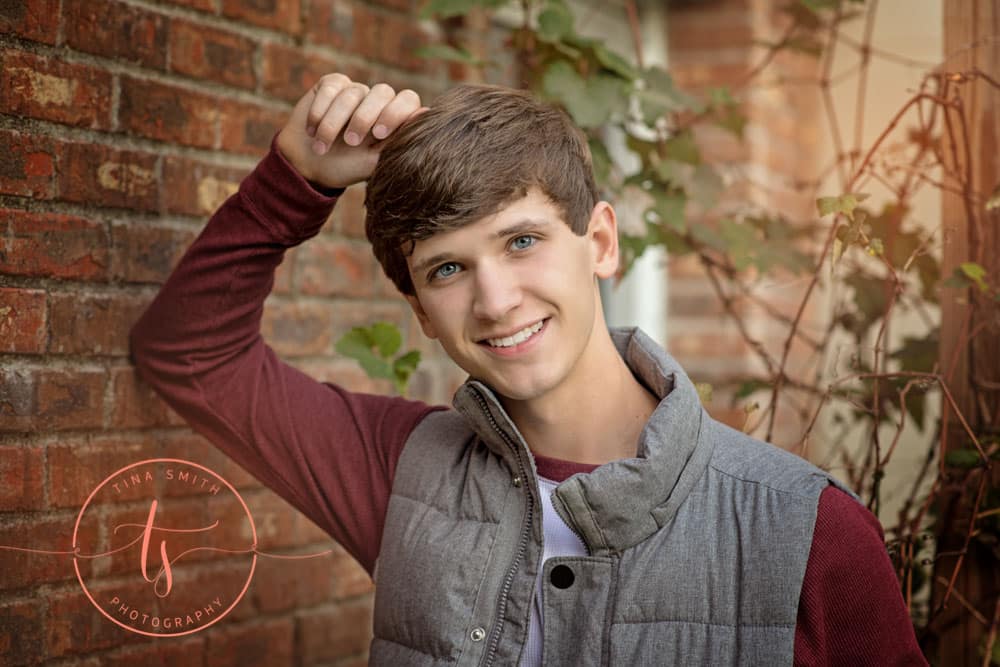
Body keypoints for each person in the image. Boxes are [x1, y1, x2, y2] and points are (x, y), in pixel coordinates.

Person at [130, 73, 926, 665]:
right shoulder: (398, 470)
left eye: (521, 241)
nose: (496, 300)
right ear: (419, 309)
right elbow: (190, 354)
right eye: (447, 270)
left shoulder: (810, 531)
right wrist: (293, 180)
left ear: (601, 242)